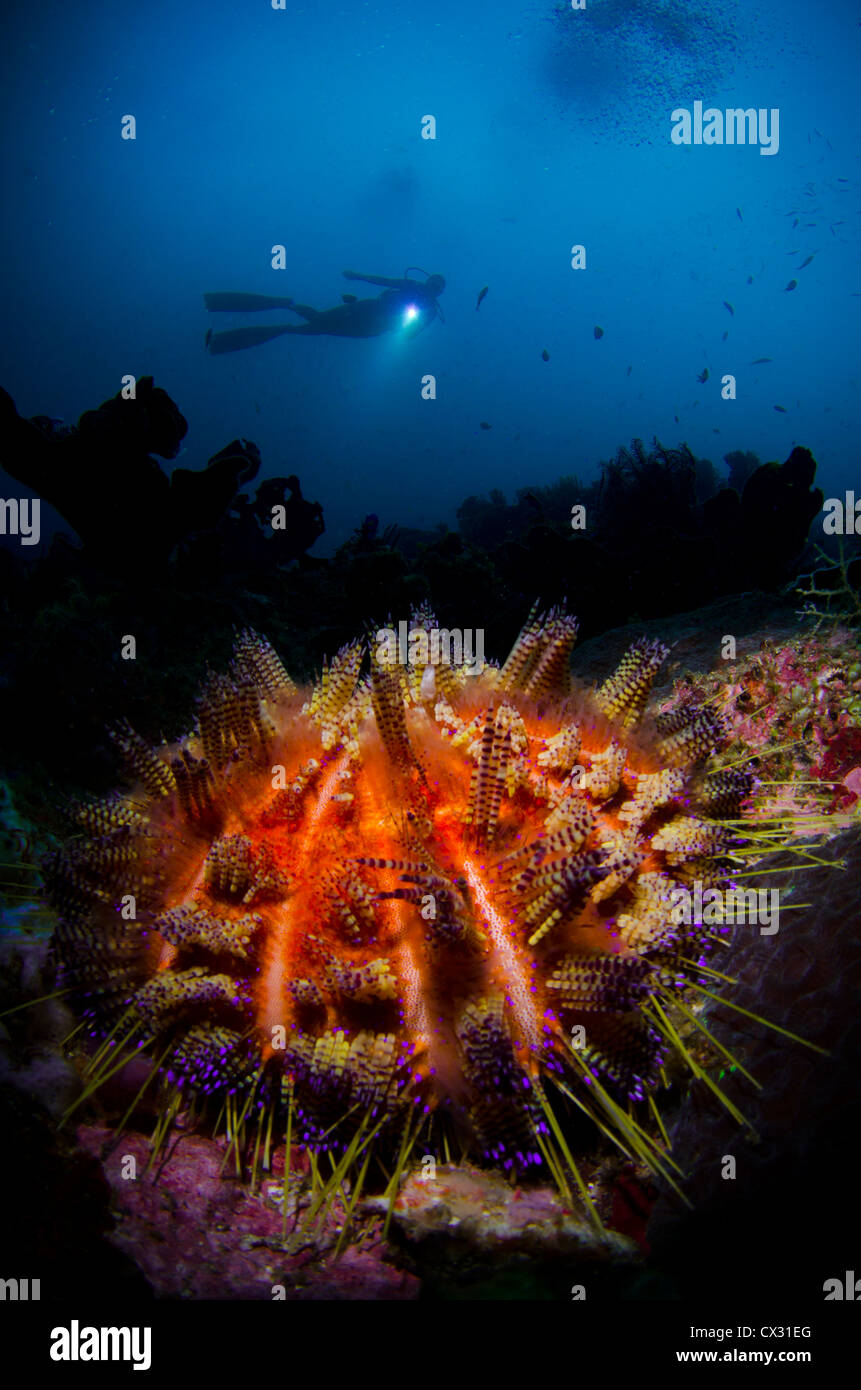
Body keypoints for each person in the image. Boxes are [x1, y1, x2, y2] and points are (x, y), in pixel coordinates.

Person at [204, 269, 445, 354]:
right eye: (431, 284)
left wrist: (405, 327)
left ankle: (286, 313)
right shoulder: (416, 292)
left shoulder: (429, 310)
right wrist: (357, 276)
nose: (429, 288)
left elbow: (409, 335)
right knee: (318, 322)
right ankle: (286, 311)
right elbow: (383, 281)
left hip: (370, 323)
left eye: (434, 287)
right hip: (369, 317)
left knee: (316, 325)